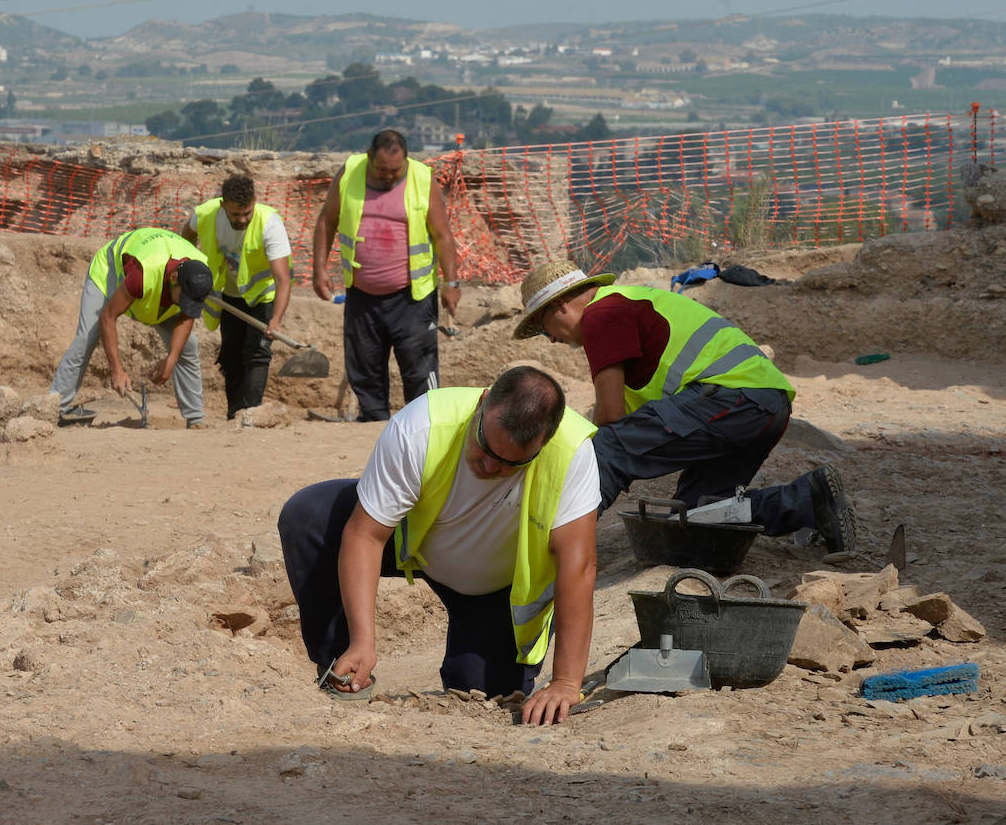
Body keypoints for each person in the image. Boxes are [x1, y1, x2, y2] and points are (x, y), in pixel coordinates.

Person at [278, 366, 600, 725]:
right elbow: (365, 535)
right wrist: (362, 639)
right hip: (418, 544)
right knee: (309, 515)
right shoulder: (422, 426)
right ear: (482, 404)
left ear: (544, 443)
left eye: (512, 463)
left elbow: (578, 566)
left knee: (482, 692)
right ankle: (343, 666)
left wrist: (567, 681)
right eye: (485, 445)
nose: (491, 466)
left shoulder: (572, 453)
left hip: (495, 589)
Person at [514, 259, 857, 553]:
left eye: (545, 331)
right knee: (697, 516)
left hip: (734, 399)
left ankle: (561, 549)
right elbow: (628, 420)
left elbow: (611, 420)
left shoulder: (601, 314)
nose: (554, 340)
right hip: (760, 404)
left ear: (559, 305)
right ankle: (807, 501)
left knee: (605, 450)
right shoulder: (625, 306)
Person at [311, 129, 460, 422]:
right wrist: (320, 269)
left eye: (395, 170)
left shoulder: (421, 179)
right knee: (365, 367)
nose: (389, 176)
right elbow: (327, 221)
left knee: (419, 369)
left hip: (413, 298)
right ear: (369, 158)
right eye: (381, 170)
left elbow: (443, 236)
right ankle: (374, 423)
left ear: (406, 161)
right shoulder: (350, 173)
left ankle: (423, 426)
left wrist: (452, 284)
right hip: (362, 296)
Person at [49, 227, 213, 428]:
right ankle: (52, 410)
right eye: (184, 300)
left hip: (155, 295)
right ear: (173, 279)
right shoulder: (144, 272)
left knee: (187, 346)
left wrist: (171, 359)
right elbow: (108, 317)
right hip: (109, 273)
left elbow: (187, 316)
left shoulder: (198, 273)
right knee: (86, 339)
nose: (186, 306)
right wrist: (116, 370)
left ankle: (196, 419)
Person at [181, 174, 292, 420]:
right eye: (235, 215)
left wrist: (276, 319)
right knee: (231, 355)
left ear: (254, 201)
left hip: (261, 296)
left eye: (247, 214)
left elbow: (283, 279)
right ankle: (234, 414)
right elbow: (185, 236)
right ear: (223, 205)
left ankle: (250, 414)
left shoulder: (269, 223)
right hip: (229, 295)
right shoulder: (207, 215)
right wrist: (188, 268)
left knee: (257, 353)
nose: (242, 220)